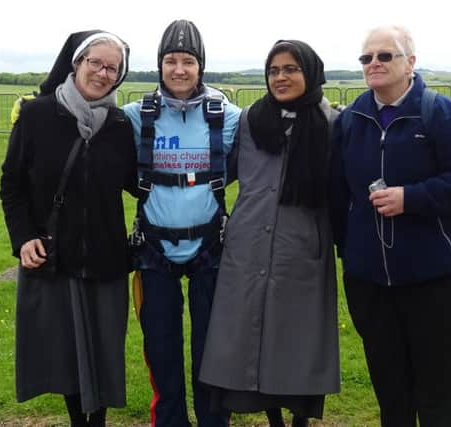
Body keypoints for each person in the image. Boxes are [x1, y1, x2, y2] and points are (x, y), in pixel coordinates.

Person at [330, 25, 451, 427]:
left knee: (437, 389)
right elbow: (337, 192)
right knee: (391, 391)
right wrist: (348, 251)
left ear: (411, 63)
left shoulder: (442, 114)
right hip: (370, 281)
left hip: (434, 277)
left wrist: (412, 198)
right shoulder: (351, 120)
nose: (374, 64)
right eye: (366, 58)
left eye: (385, 56)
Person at [199, 40, 340, 427]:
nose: (281, 77)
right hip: (248, 247)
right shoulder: (249, 120)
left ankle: (299, 419)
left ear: (310, 73)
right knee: (249, 336)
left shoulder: (331, 124)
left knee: (297, 338)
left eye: (291, 69)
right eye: (274, 70)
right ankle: (272, 417)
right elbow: (219, 171)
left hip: (302, 249)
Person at [0, 30, 135, 427]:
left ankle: (99, 422)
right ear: (77, 64)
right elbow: (12, 184)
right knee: (68, 353)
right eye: (96, 63)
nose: (103, 73)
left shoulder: (120, 124)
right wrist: (23, 237)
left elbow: (135, 182)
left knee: (103, 348)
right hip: (55, 253)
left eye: (113, 68)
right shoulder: (37, 115)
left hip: (106, 255)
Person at [122, 20, 241, 427]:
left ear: (200, 66)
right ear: (159, 65)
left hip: (210, 247)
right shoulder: (137, 116)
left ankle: (213, 421)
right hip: (154, 250)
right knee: (161, 346)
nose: (179, 70)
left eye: (187, 61)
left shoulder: (225, 116)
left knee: (212, 348)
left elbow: (276, 131)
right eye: (170, 61)